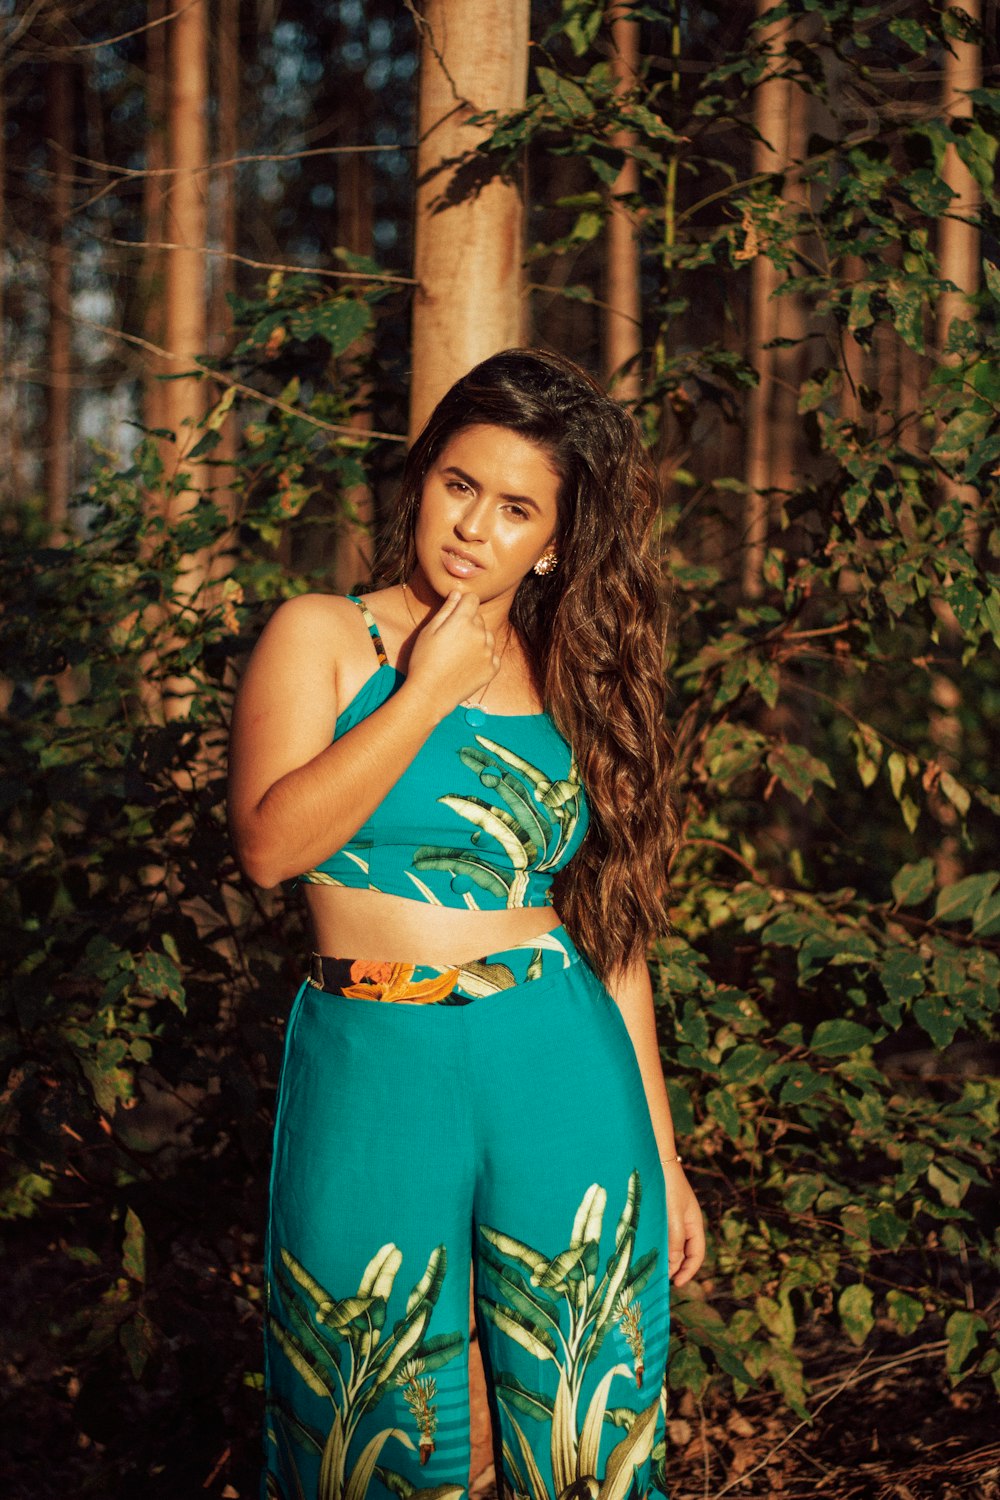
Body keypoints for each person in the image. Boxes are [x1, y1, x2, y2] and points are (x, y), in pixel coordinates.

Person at [228, 347, 705, 1500]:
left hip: (556, 1051)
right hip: (369, 1054)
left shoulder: (569, 676)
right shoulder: (323, 634)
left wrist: (666, 1151)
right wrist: (428, 686)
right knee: (369, 1411)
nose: (472, 528)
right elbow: (270, 847)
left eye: (514, 509)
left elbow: (613, 937)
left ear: (552, 539)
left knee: (585, 1407)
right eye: (457, 485)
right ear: (422, 480)